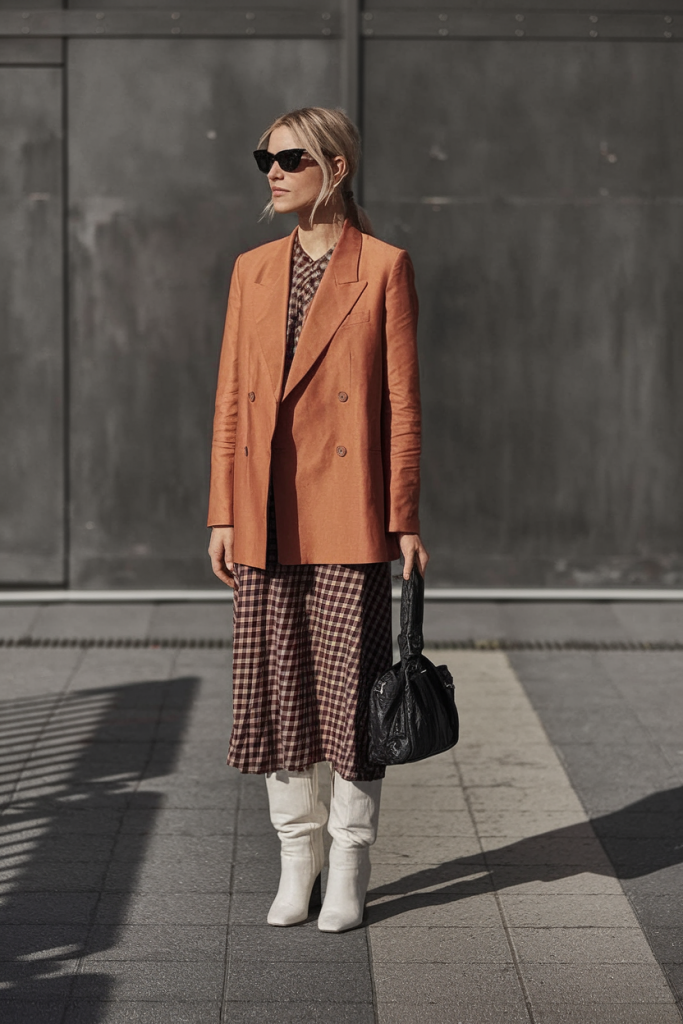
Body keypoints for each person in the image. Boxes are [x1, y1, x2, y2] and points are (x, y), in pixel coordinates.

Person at [207, 106, 428, 932]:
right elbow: (231, 399)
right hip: (263, 515)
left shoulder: (383, 266)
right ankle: (294, 858)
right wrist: (221, 512)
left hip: (345, 513)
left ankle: (349, 863)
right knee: (279, 694)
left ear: (335, 166)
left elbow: (403, 405)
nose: (271, 168)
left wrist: (402, 519)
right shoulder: (251, 270)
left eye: (289, 156)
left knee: (348, 696)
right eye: (263, 154)